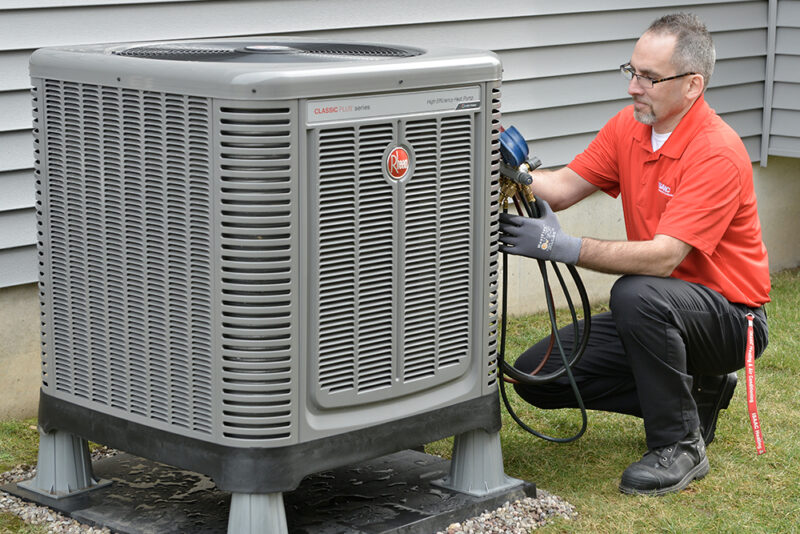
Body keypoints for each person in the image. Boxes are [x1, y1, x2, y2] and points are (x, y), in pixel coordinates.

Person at [498, 12, 770, 496]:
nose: (633, 88)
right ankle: (695, 395)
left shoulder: (716, 151)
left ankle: (679, 446)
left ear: (692, 85)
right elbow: (559, 189)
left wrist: (558, 246)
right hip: (662, 313)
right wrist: (501, 168)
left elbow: (664, 258)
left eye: (649, 77)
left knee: (637, 293)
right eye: (632, 71)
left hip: (730, 317)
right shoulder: (631, 128)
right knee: (539, 378)